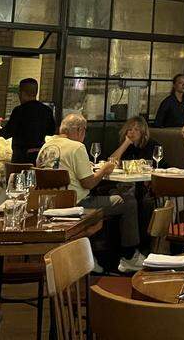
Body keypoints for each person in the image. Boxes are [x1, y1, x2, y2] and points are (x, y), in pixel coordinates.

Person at [37, 113, 144, 273]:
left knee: (109, 195)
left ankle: (90, 256)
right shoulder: (77, 147)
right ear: (80, 130)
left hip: (50, 205)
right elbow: (88, 183)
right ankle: (129, 257)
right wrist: (103, 170)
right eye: (84, 132)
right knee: (128, 202)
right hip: (76, 205)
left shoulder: (46, 146)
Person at [0, 78, 55, 164]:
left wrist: (3, 126)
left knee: (18, 177)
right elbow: (51, 131)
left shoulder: (19, 111)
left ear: (22, 93)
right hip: (40, 156)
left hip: (21, 157)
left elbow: (7, 133)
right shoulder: (47, 110)